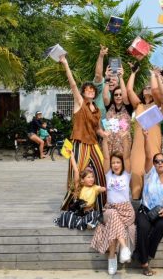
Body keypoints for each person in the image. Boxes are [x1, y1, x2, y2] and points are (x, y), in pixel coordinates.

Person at [58, 55, 106, 213]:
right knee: (76, 174)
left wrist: (105, 134)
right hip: (79, 143)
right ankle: (73, 205)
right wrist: (65, 63)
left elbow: (97, 129)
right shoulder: (80, 103)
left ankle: (98, 205)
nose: (91, 91)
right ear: (83, 92)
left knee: (100, 170)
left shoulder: (97, 110)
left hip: (93, 143)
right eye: (87, 90)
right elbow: (72, 85)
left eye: (93, 90)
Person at [134, 131, 163, 276]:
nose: (159, 163)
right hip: (146, 210)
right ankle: (145, 262)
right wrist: (147, 137)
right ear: (153, 164)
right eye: (157, 161)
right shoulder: (149, 174)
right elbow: (148, 155)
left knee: (160, 226)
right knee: (143, 228)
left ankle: (142, 253)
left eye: (162, 161)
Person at [91, 152, 135, 275]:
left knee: (113, 224)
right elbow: (105, 156)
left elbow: (127, 155)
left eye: (118, 162)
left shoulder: (127, 174)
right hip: (109, 209)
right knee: (113, 214)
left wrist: (126, 136)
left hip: (126, 211)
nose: (115, 165)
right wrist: (105, 138)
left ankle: (112, 257)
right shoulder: (108, 175)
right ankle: (124, 248)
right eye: (113, 163)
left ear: (122, 164)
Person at [127, 63, 162, 200]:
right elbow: (129, 90)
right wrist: (133, 73)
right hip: (137, 147)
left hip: (153, 144)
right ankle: (136, 205)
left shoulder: (157, 105)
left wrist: (153, 74)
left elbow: (155, 89)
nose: (148, 88)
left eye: (149, 87)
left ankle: (152, 206)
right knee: (136, 173)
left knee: (153, 175)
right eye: (145, 87)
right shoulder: (138, 106)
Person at [103, 66, 133, 159]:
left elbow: (125, 95)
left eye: (120, 94)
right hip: (109, 144)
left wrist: (120, 77)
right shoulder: (109, 106)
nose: (118, 96)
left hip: (124, 145)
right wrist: (107, 79)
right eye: (116, 95)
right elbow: (105, 97)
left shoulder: (128, 107)